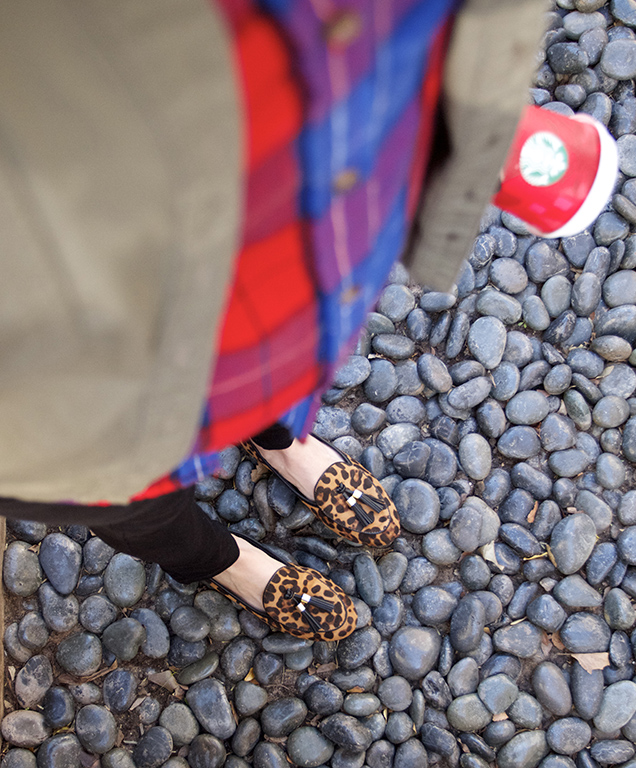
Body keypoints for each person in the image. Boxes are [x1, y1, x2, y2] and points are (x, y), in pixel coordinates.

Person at [0, 0, 547, 639]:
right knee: (93, 458)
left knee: (248, 310)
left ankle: (278, 440)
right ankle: (219, 561)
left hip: (275, 144)